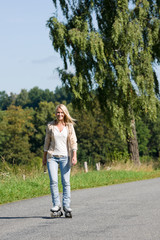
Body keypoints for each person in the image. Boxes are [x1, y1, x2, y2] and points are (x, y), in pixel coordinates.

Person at [43, 104, 77, 218]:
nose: (60, 114)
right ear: (55, 113)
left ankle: (66, 205)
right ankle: (56, 205)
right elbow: (46, 143)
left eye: (62, 112)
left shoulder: (69, 126)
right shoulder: (50, 126)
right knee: (53, 181)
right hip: (52, 157)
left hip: (65, 157)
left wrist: (74, 156)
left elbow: (73, 141)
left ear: (65, 113)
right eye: (58, 112)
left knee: (66, 182)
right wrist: (44, 158)